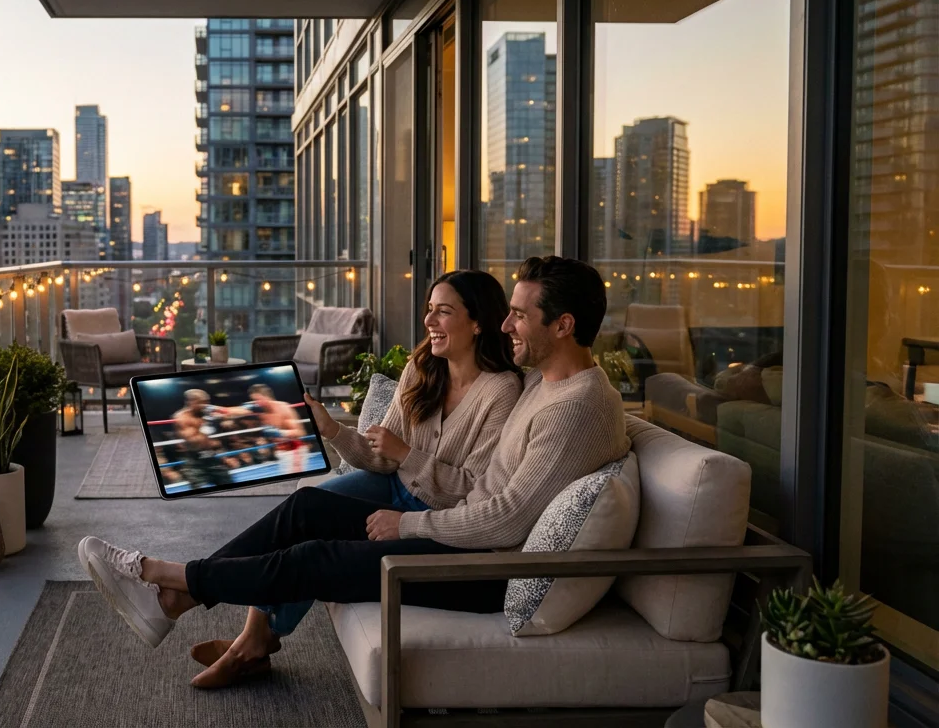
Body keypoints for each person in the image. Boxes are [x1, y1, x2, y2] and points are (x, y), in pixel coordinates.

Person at [78, 257, 631, 689]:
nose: (508, 325)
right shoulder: (544, 383)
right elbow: (481, 492)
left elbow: (505, 520)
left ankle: (166, 579)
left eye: (520, 315)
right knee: (309, 508)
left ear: (564, 325)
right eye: (507, 312)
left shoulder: (572, 405)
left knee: (314, 558)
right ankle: (176, 597)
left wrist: (406, 523)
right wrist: (339, 433)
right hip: (463, 533)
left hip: (483, 566)